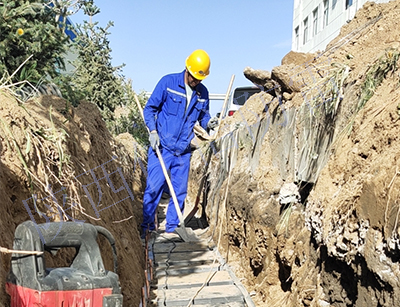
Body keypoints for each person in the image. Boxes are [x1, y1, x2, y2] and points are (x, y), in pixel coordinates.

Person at [141, 49, 218, 235]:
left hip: (183, 150)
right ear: (187, 69)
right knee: (154, 188)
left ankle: (173, 228)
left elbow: (203, 116)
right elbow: (150, 109)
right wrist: (152, 131)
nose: (196, 81)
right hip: (161, 147)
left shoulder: (202, 93)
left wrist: (211, 122)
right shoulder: (168, 83)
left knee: (179, 192)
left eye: (200, 78)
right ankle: (148, 228)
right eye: (194, 77)